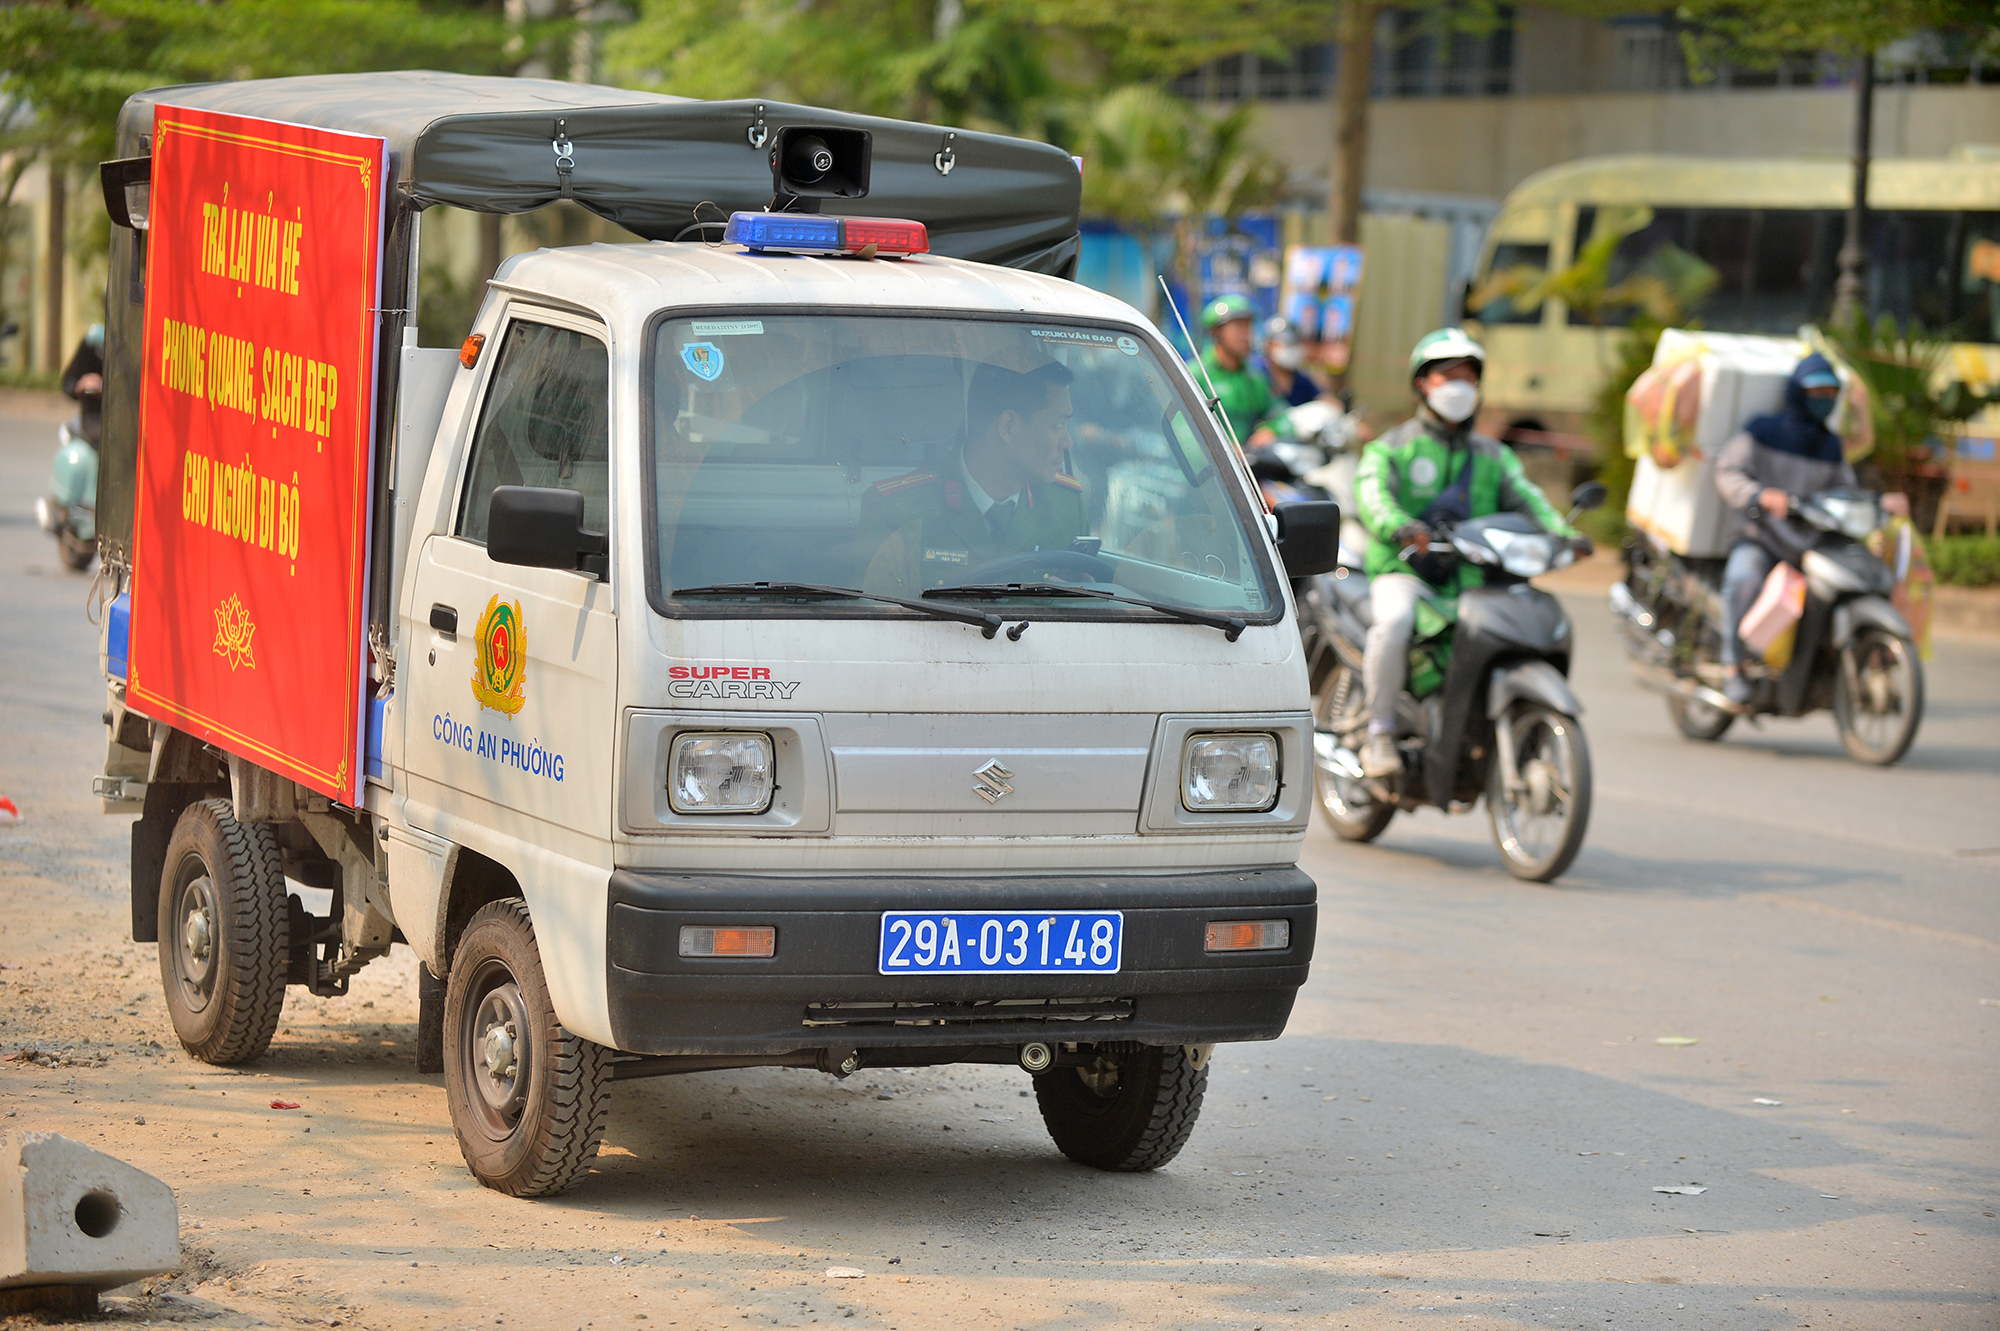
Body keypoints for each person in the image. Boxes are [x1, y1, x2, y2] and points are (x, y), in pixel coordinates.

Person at [1352, 328, 1588, 778]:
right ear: (1422, 383)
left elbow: (1529, 499)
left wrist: (1564, 534)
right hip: (1406, 574)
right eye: (1448, 377)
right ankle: (1378, 733)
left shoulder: (1493, 456)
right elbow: (1373, 496)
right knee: (1395, 623)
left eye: (1469, 377)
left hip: (1475, 581)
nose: (1460, 387)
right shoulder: (1393, 448)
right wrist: (1399, 525)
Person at [858, 360, 1089, 596]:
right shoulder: (895, 508)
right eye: (1057, 425)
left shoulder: (1067, 506)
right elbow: (871, 619)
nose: (1067, 443)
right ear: (1008, 426)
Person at [1711, 353, 1852, 705]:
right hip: (1762, 538)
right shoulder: (1764, 431)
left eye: (1831, 392)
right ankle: (1733, 665)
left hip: (1810, 545)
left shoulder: (1832, 446)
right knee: (1744, 579)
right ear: (1797, 392)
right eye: (1816, 391)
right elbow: (1727, 470)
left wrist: (1878, 503)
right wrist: (1759, 495)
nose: (1824, 399)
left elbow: (1847, 492)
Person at [1191, 294, 1281, 444]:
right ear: (1215, 332)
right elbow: (1183, 429)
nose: (1245, 334)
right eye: (1238, 327)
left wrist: (1270, 430)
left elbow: (1280, 413)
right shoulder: (1195, 374)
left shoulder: (1254, 377)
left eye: (1248, 326)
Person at [1260, 317, 1322, 408]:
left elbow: (1323, 398)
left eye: (1295, 343)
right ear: (1269, 345)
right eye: (1287, 343)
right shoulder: (1257, 375)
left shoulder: (1300, 381)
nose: (1292, 349)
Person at [61, 322, 105, 445]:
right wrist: (83, 384)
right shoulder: (94, 341)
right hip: (93, 419)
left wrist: (105, 387)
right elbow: (68, 384)